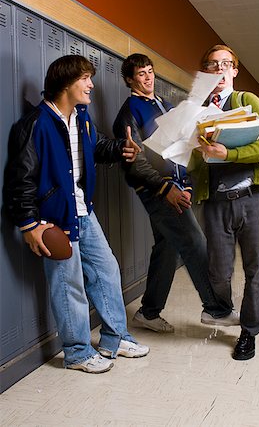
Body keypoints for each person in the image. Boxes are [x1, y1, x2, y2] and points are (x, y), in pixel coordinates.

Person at [3, 55, 150, 374]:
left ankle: (115, 338)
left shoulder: (81, 118)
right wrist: (29, 225)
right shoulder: (35, 125)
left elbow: (95, 148)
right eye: (85, 78)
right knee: (68, 285)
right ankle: (78, 352)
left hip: (83, 210)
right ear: (65, 83)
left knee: (107, 270)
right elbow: (20, 181)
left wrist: (120, 150)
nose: (91, 85)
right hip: (53, 218)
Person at [113, 53, 239, 333]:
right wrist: (165, 188)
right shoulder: (129, 113)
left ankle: (148, 312)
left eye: (150, 71)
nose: (148, 78)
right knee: (195, 243)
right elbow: (136, 162)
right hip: (159, 192)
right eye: (141, 74)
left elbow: (184, 147)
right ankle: (215, 309)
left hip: (179, 188)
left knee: (167, 249)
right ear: (130, 80)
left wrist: (189, 184)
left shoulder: (166, 105)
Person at [188, 45, 259, 360]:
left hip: (251, 198)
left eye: (225, 64)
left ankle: (249, 332)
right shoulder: (197, 111)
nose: (219, 69)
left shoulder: (246, 101)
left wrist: (229, 153)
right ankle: (223, 309)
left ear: (234, 70)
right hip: (215, 203)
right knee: (218, 272)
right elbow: (193, 165)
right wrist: (192, 155)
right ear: (206, 72)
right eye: (212, 64)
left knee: (255, 269)